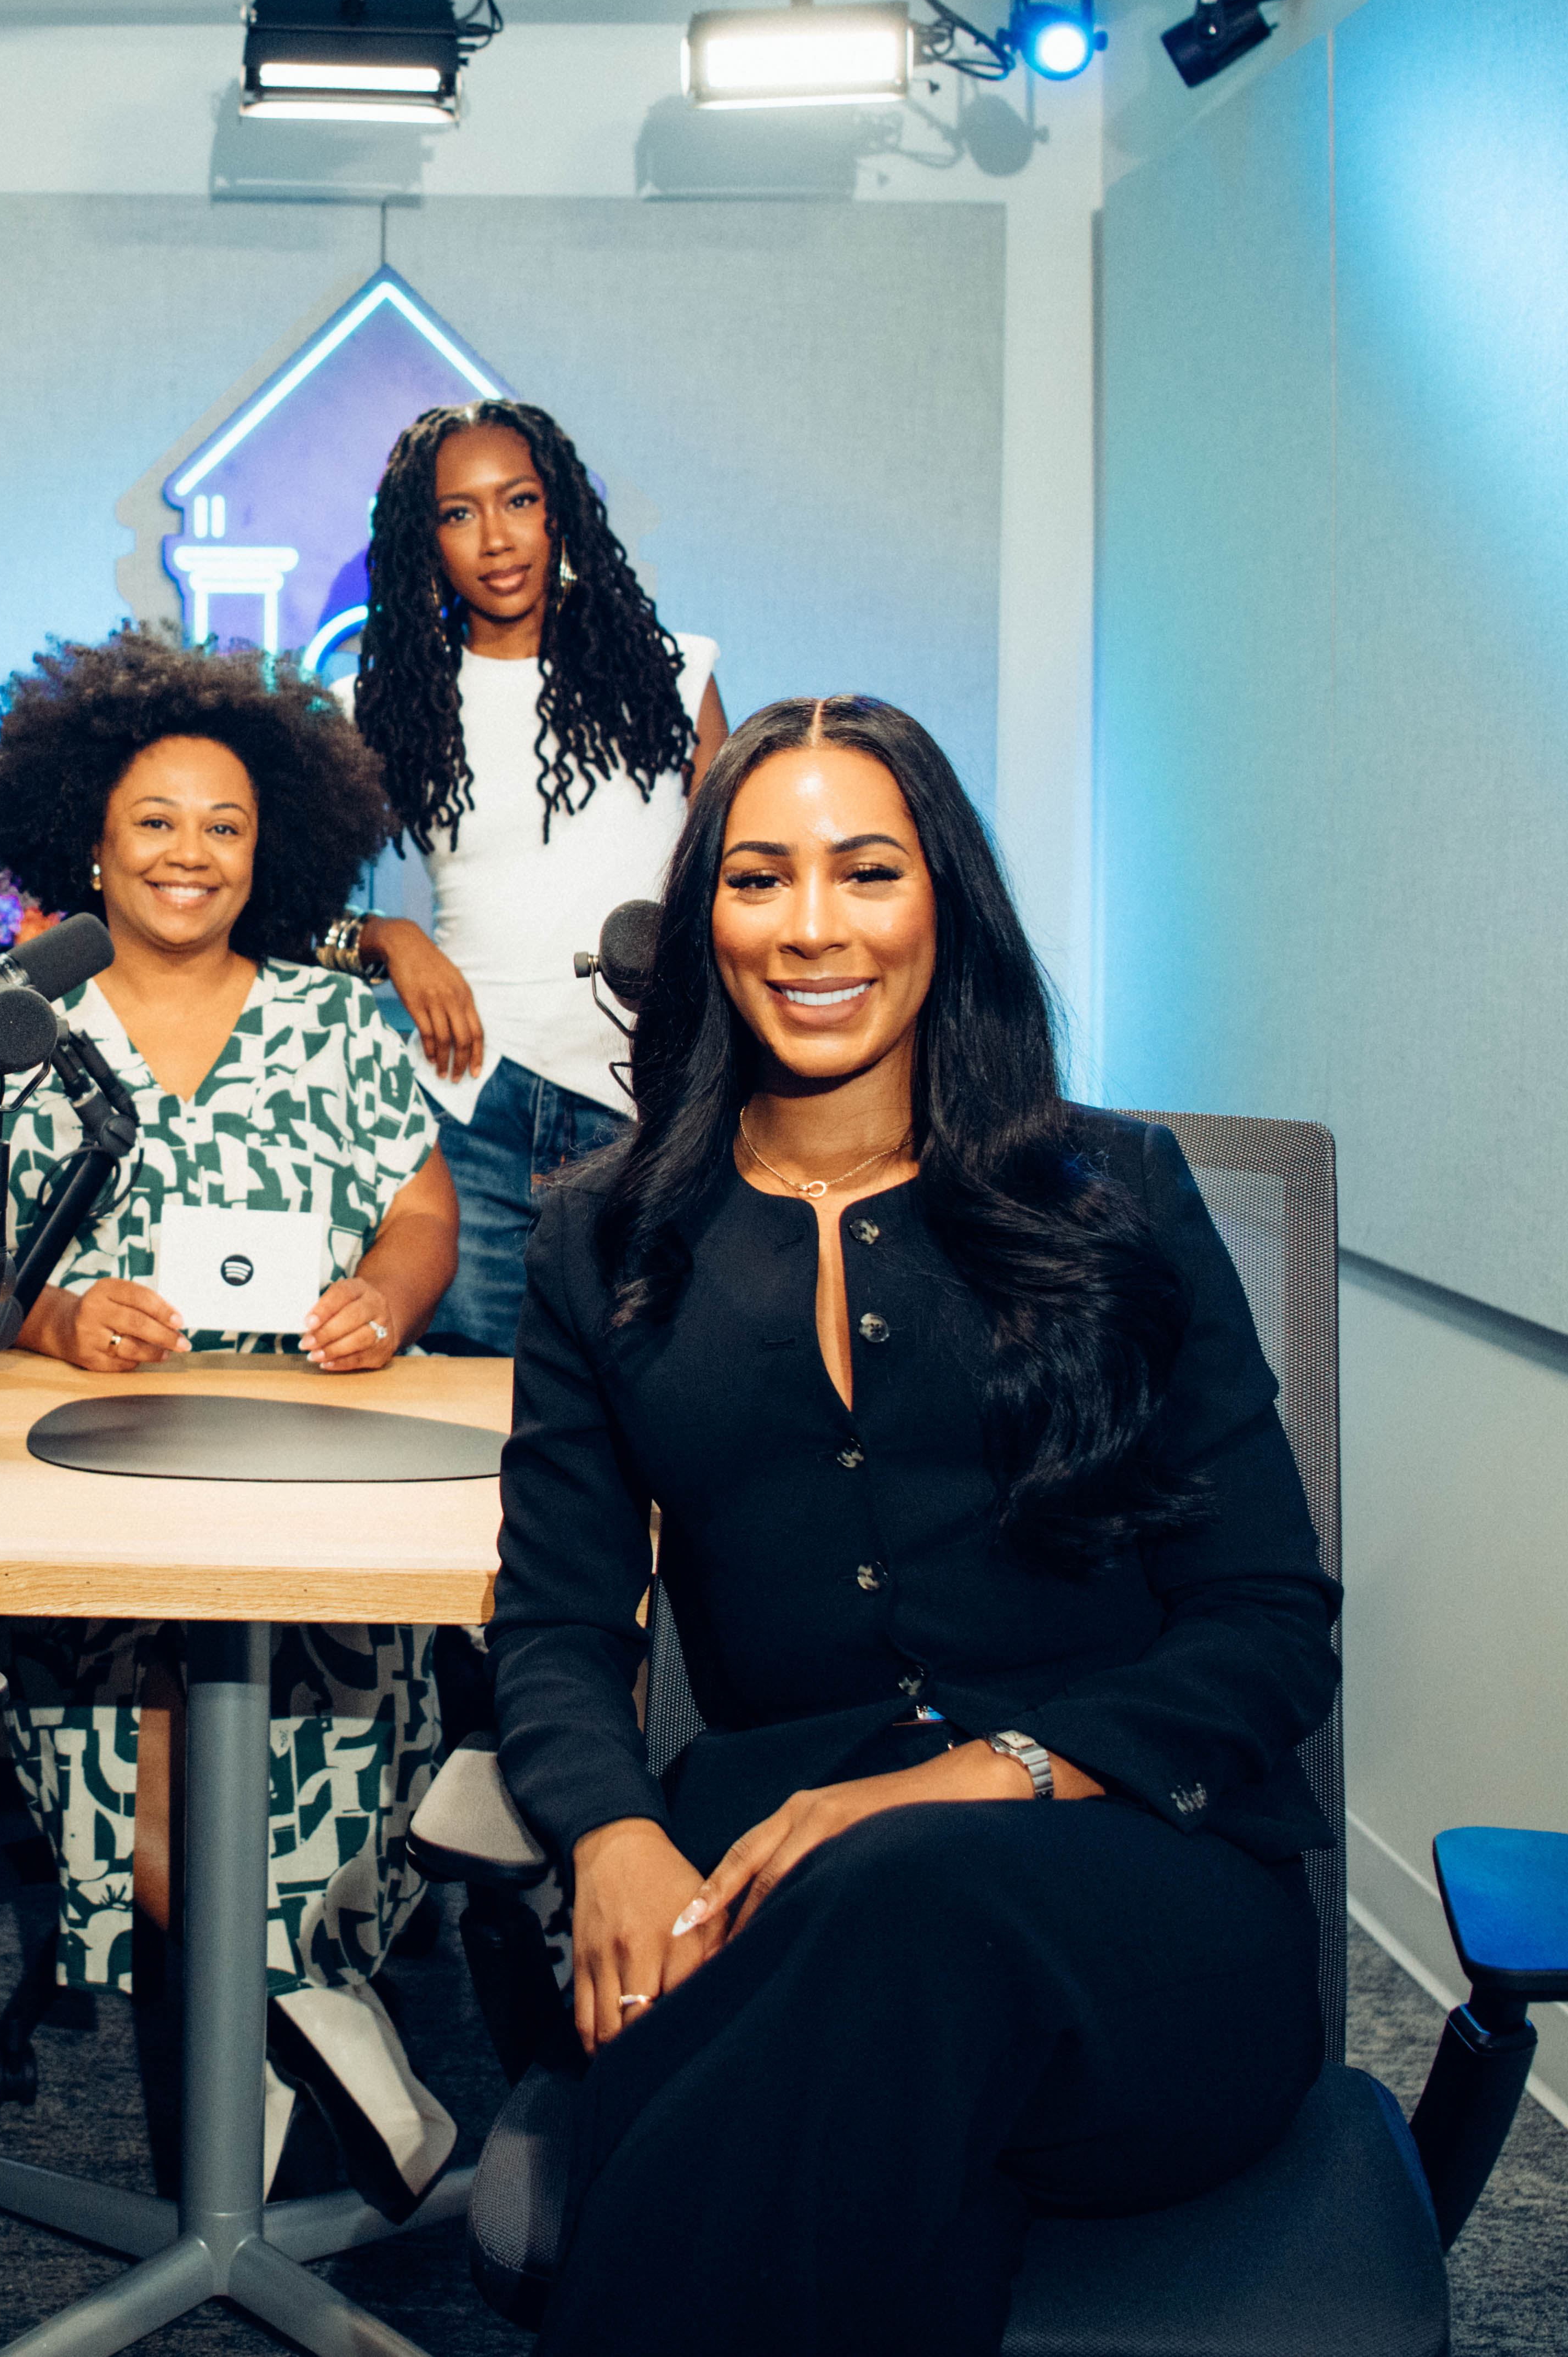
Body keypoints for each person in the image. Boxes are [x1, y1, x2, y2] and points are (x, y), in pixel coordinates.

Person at [492, 694, 1341, 2356]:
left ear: (942, 902)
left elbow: (1263, 1619)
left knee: (897, 1910)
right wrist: (609, 1833)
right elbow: (556, 1625)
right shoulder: (603, 1240)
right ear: (706, 922)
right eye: (758, 879)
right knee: (860, 2073)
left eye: (866, 871)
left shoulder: (1119, 1198)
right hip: (774, 1900)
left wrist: (974, 1777)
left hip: (1138, 1919)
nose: (812, 927)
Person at [0, 628, 464, 2210]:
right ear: (90, 832)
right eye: (155, 819)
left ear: (269, 845)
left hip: (318, 1457)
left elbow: (422, 1216)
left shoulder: (341, 1023)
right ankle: (302, 2024)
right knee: (130, 1755)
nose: (189, 853)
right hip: (86, 1465)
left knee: (331, 1710)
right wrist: (56, 1316)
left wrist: (389, 1302)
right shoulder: (15, 1021)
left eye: (223, 825)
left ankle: (278, 2030)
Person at [335, 399, 728, 1356]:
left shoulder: (677, 677)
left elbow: (735, 878)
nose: (495, 537)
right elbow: (286, 905)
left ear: (562, 513)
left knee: (653, 1388)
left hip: (650, 1090)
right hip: (474, 1098)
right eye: (457, 514)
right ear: (422, 539)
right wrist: (392, 938)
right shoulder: (378, 701)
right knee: (476, 1405)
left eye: (518, 500)